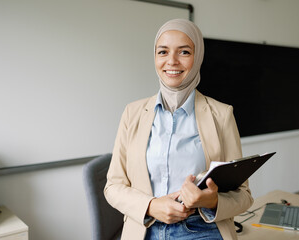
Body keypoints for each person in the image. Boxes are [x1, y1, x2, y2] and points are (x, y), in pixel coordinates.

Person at [104, 19, 253, 240]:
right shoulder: (132, 113)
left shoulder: (221, 115)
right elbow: (113, 187)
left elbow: (244, 196)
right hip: (144, 229)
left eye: (184, 52)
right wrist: (151, 206)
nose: (171, 61)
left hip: (202, 229)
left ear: (198, 56)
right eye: (163, 52)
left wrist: (211, 201)